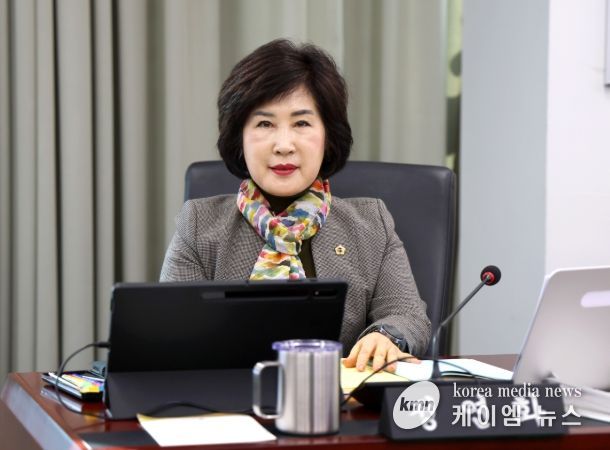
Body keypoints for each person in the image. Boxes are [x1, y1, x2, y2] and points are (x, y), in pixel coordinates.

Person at [160, 39, 430, 372]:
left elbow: (407, 315)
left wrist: (386, 336)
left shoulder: (372, 223)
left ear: (328, 135)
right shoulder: (199, 226)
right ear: (239, 137)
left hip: (340, 400)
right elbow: (172, 334)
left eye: (302, 123)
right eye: (265, 124)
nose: (284, 145)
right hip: (229, 400)